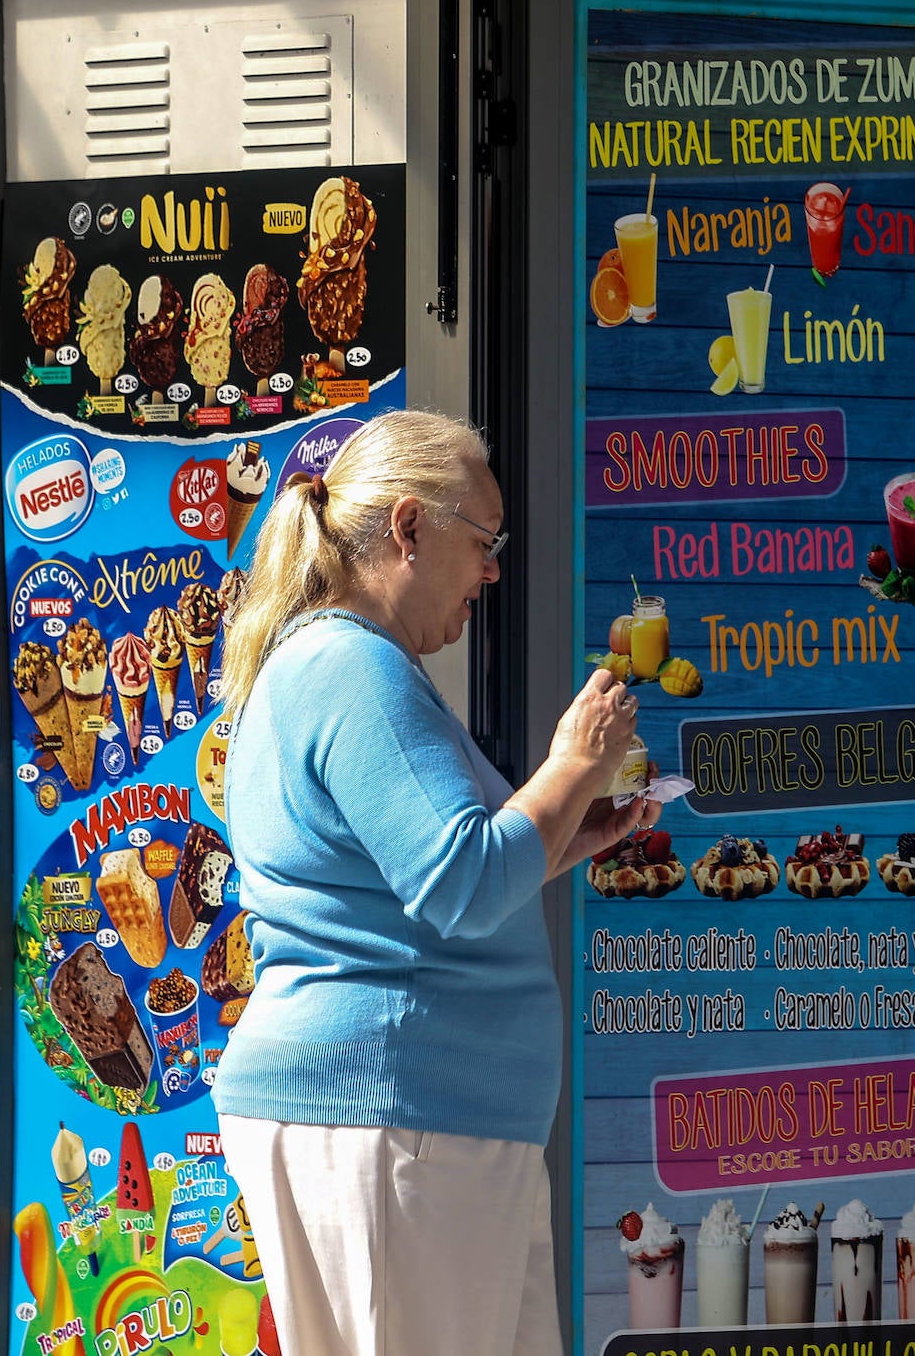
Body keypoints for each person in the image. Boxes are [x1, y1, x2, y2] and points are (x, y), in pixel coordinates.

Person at [212, 409, 660, 1356]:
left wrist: (568, 838)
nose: (495, 570)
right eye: (482, 541)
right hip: (396, 1121)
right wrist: (573, 765)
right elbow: (459, 879)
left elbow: (407, 882)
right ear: (409, 529)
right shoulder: (351, 670)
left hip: (407, 1123)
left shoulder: (329, 664)